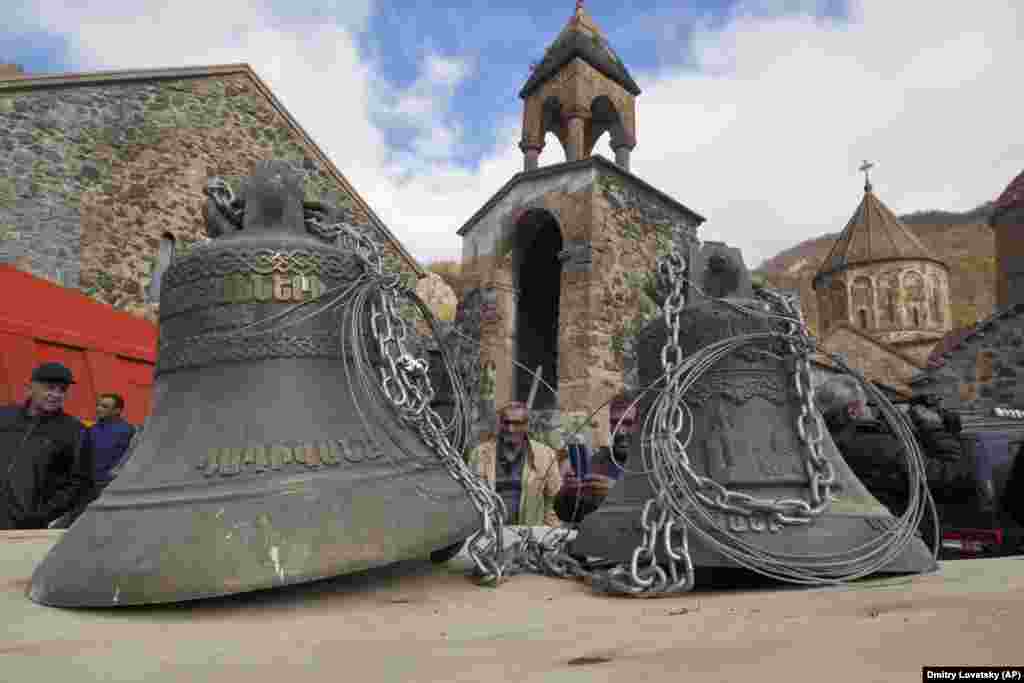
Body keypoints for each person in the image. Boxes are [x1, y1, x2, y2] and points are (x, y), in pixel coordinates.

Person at [0, 362, 94, 530]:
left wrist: (40, 515)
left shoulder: (74, 431)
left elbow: (80, 484)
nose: (56, 395)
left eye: (62, 390)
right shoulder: (4, 416)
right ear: (29, 388)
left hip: (24, 528)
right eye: (50, 388)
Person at [814, 376, 909, 516]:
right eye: (865, 406)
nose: (869, 410)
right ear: (852, 411)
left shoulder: (819, 438)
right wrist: (933, 427)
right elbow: (943, 473)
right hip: (899, 517)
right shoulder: (879, 445)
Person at [467, 402, 562, 526]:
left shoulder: (546, 455)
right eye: (506, 422)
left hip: (528, 535)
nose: (511, 429)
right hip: (489, 533)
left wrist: (550, 533)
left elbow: (553, 501)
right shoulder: (479, 454)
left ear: (527, 425)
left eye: (517, 423)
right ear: (499, 423)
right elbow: (469, 498)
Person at [53, 393, 137, 528]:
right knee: (70, 521)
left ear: (117, 410)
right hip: (87, 485)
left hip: (109, 486)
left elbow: (131, 458)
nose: (99, 409)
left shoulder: (129, 431)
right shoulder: (89, 431)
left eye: (104, 406)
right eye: (98, 405)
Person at [554, 394, 639, 524]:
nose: (621, 431)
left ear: (637, 426)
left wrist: (614, 492)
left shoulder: (651, 463)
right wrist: (568, 494)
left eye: (627, 423)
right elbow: (567, 514)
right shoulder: (594, 462)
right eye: (614, 422)